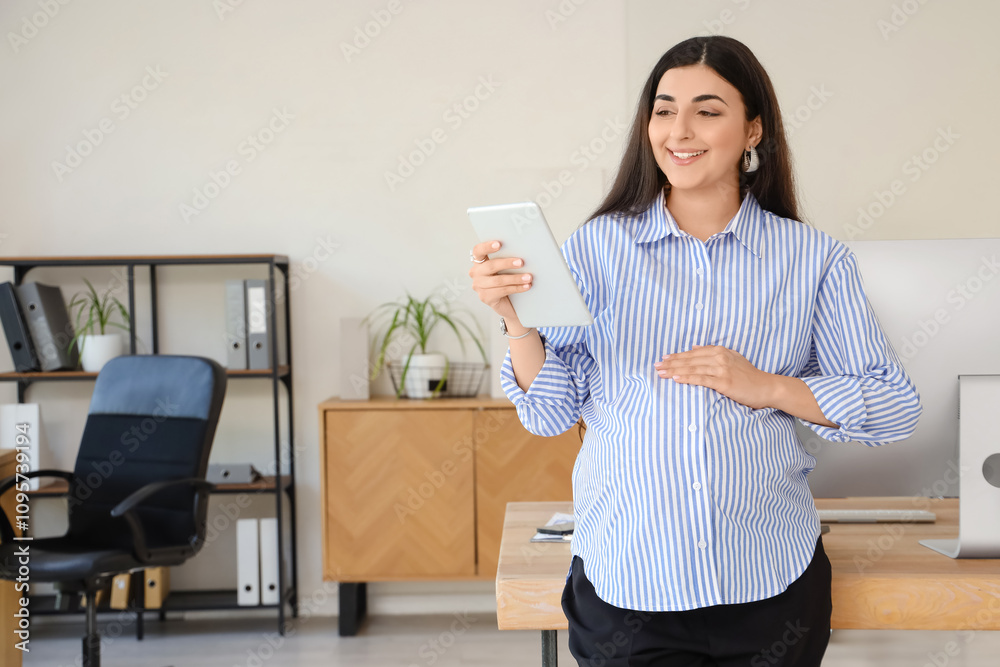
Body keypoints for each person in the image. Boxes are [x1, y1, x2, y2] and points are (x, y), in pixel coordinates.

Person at [469, 35, 921, 666]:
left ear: (753, 129)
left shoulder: (813, 260)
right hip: (629, 591)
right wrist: (517, 325)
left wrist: (768, 386)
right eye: (663, 109)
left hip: (768, 587)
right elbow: (549, 413)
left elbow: (895, 406)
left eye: (707, 110)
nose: (679, 130)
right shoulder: (598, 249)